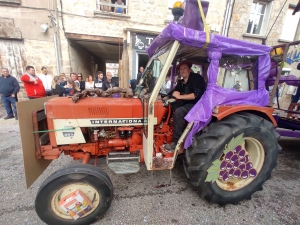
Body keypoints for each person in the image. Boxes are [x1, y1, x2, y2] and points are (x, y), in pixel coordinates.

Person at [164, 61, 206, 151]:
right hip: (187, 103)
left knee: (179, 112)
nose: (182, 70)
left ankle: (176, 143)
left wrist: (179, 96)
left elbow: (196, 95)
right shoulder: (181, 81)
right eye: (180, 69)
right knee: (169, 105)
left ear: (189, 69)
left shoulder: (196, 78)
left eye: (184, 68)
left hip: (198, 104)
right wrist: (164, 97)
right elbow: (174, 91)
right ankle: (166, 128)